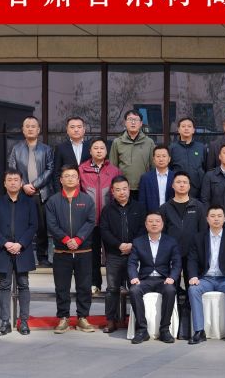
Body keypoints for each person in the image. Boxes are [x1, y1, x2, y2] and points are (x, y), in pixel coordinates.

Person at [46, 165, 97, 334]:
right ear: (61, 180)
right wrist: (66, 240)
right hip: (62, 252)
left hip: (84, 252)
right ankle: (63, 318)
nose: (70, 179)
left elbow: (91, 221)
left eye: (73, 176)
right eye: (66, 176)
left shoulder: (87, 200)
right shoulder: (53, 201)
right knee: (62, 287)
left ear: (78, 179)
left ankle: (83, 318)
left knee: (84, 286)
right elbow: (51, 224)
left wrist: (78, 239)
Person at [0, 170, 38, 336]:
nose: (12, 182)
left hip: (22, 250)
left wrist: (20, 244)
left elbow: (33, 225)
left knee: (24, 284)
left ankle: (23, 321)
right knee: (4, 286)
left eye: (16, 179)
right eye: (9, 180)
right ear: (4, 183)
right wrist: (5, 243)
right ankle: (5, 322)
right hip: (3, 250)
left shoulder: (29, 203)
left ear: (21, 182)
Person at [186, 206, 225, 344]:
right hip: (206, 279)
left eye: (219, 216)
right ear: (207, 219)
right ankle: (199, 331)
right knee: (193, 289)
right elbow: (192, 259)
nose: (216, 219)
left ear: (224, 219)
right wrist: (193, 276)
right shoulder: (198, 238)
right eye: (212, 216)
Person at [160, 173, 206, 338]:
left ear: (189, 186)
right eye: (178, 182)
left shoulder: (198, 206)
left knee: (192, 289)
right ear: (172, 185)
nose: (181, 185)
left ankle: (192, 327)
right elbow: (162, 233)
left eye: (185, 182)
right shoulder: (165, 208)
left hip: (192, 256)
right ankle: (171, 325)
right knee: (171, 288)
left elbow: (203, 233)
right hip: (171, 256)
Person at [99, 176, 147, 334]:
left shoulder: (139, 208)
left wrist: (132, 245)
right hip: (114, 254)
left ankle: (136, 320)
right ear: (112, 191)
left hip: (135, 254)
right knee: (112, 288)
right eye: (118, 190)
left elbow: (143, 229)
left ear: (129, 189)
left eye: (124, 189)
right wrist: (119, 245)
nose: (122, 192)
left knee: (135, 287)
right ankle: (111, 320)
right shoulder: (107, 210)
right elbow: (104, 231)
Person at [126, 212, 180, 344]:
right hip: (145, 279)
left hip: (163, 279)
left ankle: (164, 330)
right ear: (146, 224)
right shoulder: (138, 242)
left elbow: (177, 263)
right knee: (134, 290)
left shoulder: (171, 241)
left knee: (170, 290)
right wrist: (134, 277)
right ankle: (142, 330)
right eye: (150, 221)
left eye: (157, 221)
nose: (154, 224)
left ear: (162, 224)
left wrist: (172, 277)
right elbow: (132, 263)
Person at [6, 116, 54, 266]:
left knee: (41, 227)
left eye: (33, 126)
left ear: (38, 130)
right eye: (27, 126)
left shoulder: (46, 149)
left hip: (41, 194)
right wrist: (23, 185)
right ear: (23, 130)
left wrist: (34, 185)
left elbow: (50, 169)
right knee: (21, 226)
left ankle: (42, 257)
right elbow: (12, 169)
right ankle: (21, 256)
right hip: (22, 194)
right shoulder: (16, 149)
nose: (30, 129)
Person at [79, 138, 121, 292]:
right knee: (93, 253)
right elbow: (78, 193)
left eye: (102, 148)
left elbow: (118, 193)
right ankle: (95, 284)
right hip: (89, 219)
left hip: (109, 218)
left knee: (112, 253)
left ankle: (114, 285)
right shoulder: (82, 169)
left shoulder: (114, 170)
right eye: (95, 148)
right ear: (90, 151)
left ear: (106, 151)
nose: (99, 150)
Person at [110, 110, 155, 200]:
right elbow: (113, 167)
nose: (133, 122)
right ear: (125, 122)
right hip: (123, 188)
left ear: (141, 123)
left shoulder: (149, 142)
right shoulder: (117, 142)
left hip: (143, 186)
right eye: (130, 119)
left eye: (136, 120)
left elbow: (153, 166)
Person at [169, 117, 207, 198]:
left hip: (198, 191)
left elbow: (206, 167)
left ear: (193, 130)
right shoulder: (172, 148)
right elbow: (169, 168)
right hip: (177, 190)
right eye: (183, 126)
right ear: (178, 130)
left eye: (189, 126)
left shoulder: (201, 147)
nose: (186, 128)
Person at [52, 117, 91, 195]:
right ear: (67, 130)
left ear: (84, 130)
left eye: (79, 127)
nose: (76, 130)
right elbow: (56, 173)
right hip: (67, 191)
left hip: (88, 191)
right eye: (72, 127)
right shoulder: (60, 148)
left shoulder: (91, 147)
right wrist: (59, 193)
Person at [138, 145, 174, 212]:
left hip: (171, 214)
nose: (161, 159)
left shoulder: (175, 177)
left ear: (169, 159)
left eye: (164, 156)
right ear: (154, 159)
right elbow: (142, 201)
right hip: (152, 215)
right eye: (158, 156)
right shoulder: (145, 178)